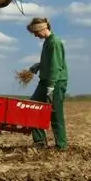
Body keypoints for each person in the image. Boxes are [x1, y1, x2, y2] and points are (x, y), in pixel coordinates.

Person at [26, 17, 68, 150]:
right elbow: (49, 62)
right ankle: (40, 142)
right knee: (32, 108)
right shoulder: (47, 42)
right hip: (44, 81)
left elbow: (56, 66)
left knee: (55, 113)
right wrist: (38, 66)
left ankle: (61, 145)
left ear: (43, 29)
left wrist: (51, 87)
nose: (35, 35)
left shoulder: (54, 42)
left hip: (55, 82)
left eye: (35, 32)